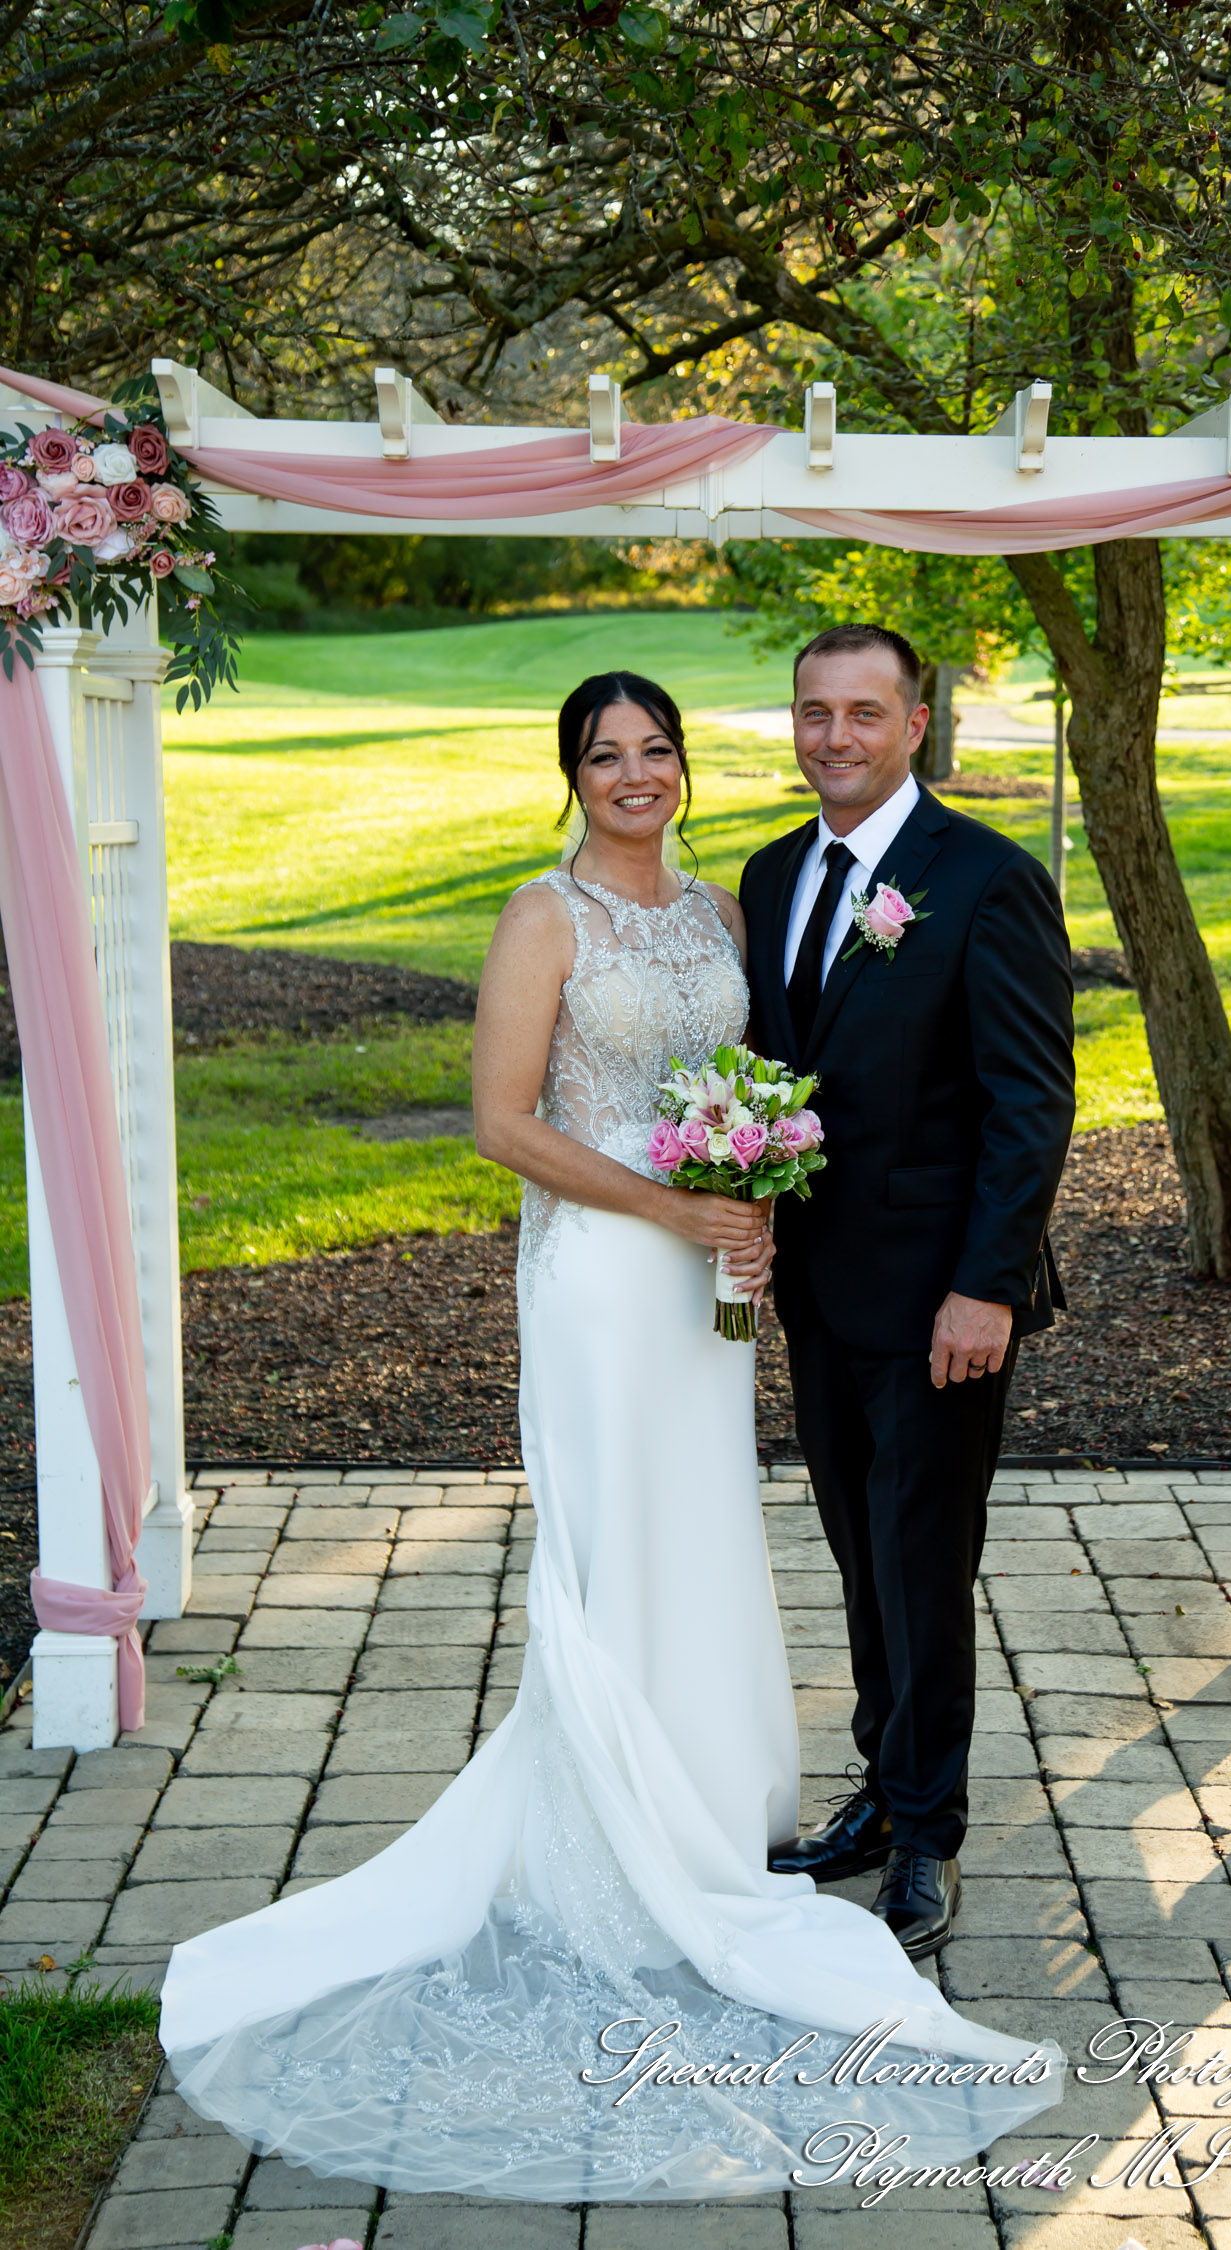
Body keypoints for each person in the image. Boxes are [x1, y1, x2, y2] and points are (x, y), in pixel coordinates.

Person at [155, 669, 1063, 2202]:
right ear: (571, 772)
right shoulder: (562, 913)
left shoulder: (737, 906)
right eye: (603, 755)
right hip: (610, 1275)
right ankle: (661, 1818)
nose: (633, 773)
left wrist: (787, 1219)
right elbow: (506, 1119)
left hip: (748, 1282)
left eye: (655, 750)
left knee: (736, 1537)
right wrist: (694, 1204)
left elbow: (888, 1089)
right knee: (660, 1536)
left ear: (910, 722)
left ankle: (802, 1813)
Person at [741, 625, 1075, 1958]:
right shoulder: (772, 877)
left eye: (863, 713)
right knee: (861, 1561)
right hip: (821, 1293)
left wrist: (986, 1288)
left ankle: (929, 1832)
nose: (835, 738)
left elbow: (1029, 1104)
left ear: (917, 722)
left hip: (943, 1302)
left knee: (923, 1564)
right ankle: (882, 1794)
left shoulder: (985, 879)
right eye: (814, 713)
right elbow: (776, 1065)